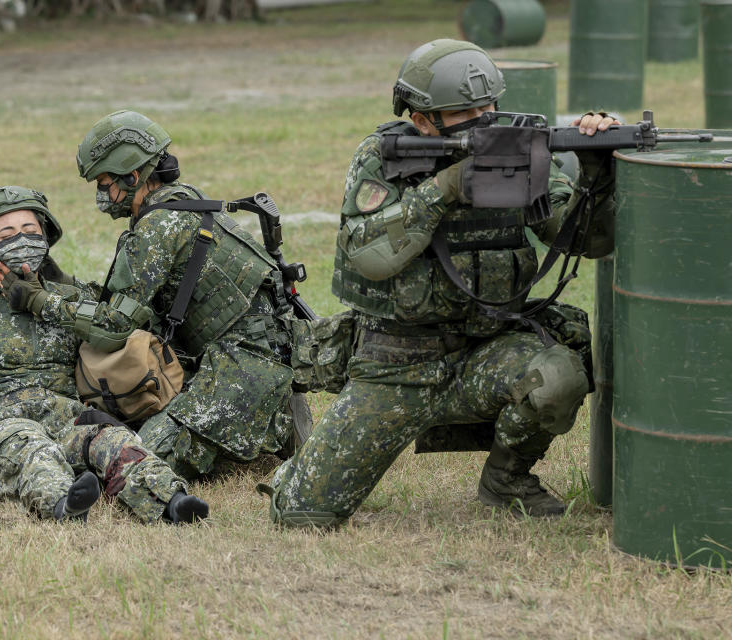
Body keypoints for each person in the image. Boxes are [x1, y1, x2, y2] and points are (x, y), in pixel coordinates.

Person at [262, 39, 618, 527]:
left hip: (488, 348)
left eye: (489, 104)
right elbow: (368, 254)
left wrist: (595, 173)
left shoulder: (518, 150)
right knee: (302, 516)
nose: (484, 118)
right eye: (464, 111)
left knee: (557, 376)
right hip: (397, 364)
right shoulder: (383, 157)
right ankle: (297, 475)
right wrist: (446, 188)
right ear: (422, 119)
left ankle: (506, 480)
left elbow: (584, 240)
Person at [0, 110, 351, 480]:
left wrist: (38, 301)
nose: (101, 195)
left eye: (104, 183)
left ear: (133, 177)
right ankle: (272, 404)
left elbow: (112, 327)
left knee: (139, 460)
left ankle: (272, 416)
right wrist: (61, 282)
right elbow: (130, 301)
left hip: (241, 363)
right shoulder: (183, 200)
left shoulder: (155, 229)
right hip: (254, 345)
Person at [0, 185, 208, 523]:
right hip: (7, 419)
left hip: (68, 412)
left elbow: (110, 328)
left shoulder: (70, 299)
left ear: (45, 238)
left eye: (30, 231)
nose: (21, 240)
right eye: (7, 234)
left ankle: (172, 501)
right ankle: (64, 504)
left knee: (114, 440)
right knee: (32, 448)